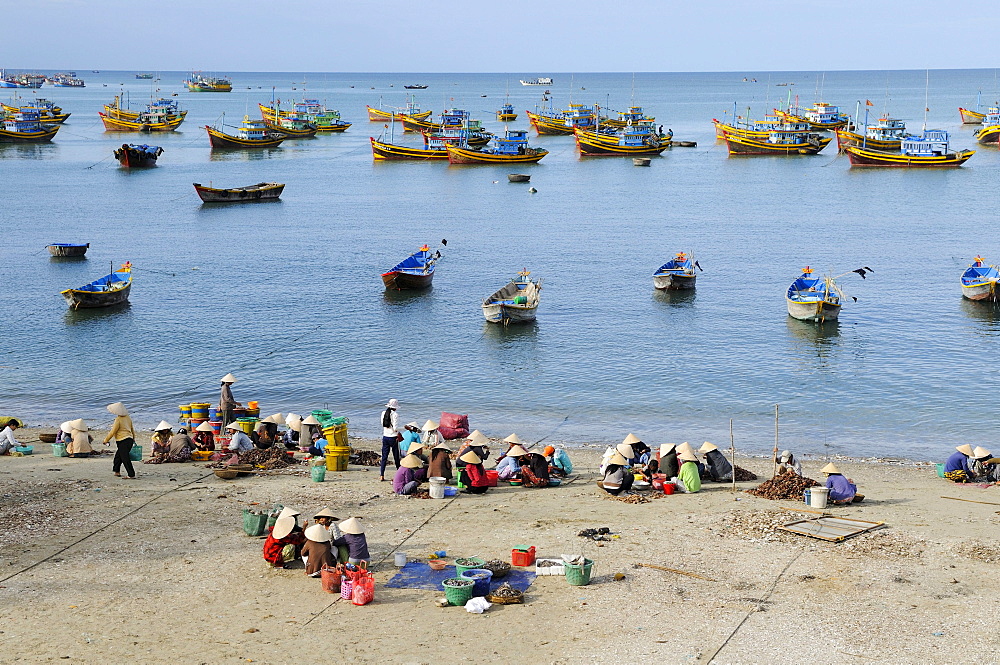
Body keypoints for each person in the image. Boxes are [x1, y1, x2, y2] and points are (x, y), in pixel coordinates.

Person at [380, 399, 401, 482]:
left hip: (385, 436)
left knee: (384, 457)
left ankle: (382, 475)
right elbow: (395, 429)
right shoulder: (395, 415)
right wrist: (405, 427)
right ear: (395, 407)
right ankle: (399, 474)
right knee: (396, 457)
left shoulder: (383, 413)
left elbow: (383, 424)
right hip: (393, 437)